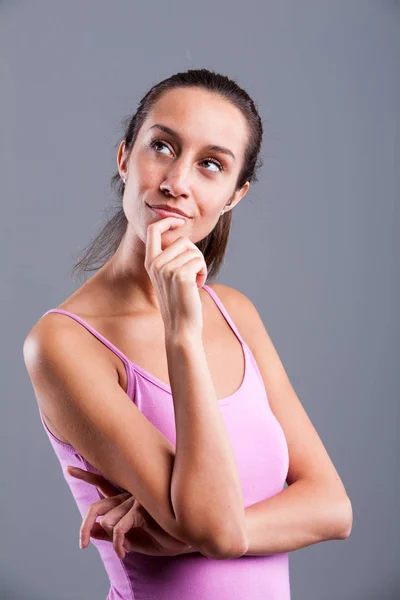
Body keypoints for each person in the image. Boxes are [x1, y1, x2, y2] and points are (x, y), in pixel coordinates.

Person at [23, 68, 352, 600]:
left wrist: (196, 536)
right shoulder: (63, 343)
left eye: (211, 164)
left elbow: (334, 508)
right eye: (161, 146)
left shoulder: (236, 312)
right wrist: (182, 335)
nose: (177, 181)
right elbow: (212, 526)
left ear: (234, 196)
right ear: (124, 157)